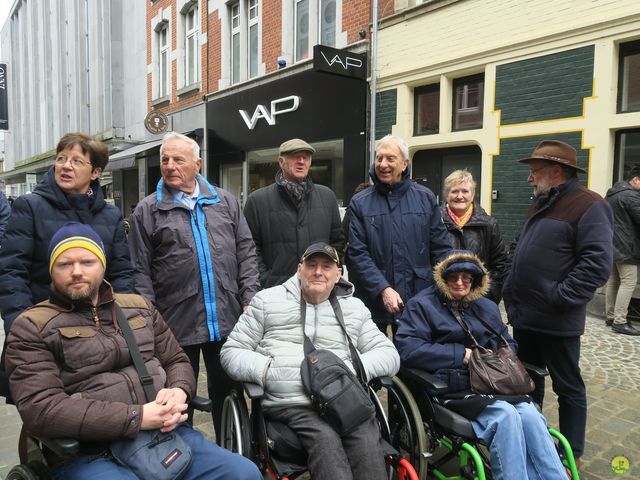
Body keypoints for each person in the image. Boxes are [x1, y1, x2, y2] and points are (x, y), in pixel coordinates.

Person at [4, 223, 261, 480]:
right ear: (51, 270)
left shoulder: (138, 307)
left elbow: (176, 359)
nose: (77, 272)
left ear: (103, 265)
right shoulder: (32, 326)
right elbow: (42, 409)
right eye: (64, 264)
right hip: (88, 451)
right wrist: (137, 418)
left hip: (164, 436)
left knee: (243, 473)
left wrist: (180, 390)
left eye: (87, 261)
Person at [221, 242, 400, 480]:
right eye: (311, 265)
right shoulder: (266, 302)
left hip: (344, 400)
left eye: (327, 266)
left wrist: (351, 371)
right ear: (299, 270)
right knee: (325, 439)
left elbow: (389, 354)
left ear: (338, 275)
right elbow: (231, 351)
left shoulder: (354, 308)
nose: (318, 272)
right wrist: (268, 370)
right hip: (294, 402)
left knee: (367, 442)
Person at [128, 131, 260, 440]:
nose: (170, 165)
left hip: (228, 318)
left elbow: (246, 251)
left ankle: (232, 452)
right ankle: (184, 458)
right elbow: (140, 271)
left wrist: (249, 296)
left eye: (178, 159)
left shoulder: (224, 201)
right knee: (177, 397)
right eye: (165, 160)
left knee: (228, 394)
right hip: (175, 323)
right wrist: (148, 319)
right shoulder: (147, 211)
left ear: (197, 164)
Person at [395, 250, 568, 480]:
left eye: (466, 277)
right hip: (452, 385)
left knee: (530, 414)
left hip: (493, 382)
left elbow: (510, 342)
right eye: (453, 277)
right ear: (442, 278)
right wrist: (461, 355)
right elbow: (409, 350)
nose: (460, 282)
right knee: (506, 416)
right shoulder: (422, 305)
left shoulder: (486, 306)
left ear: (476, 280)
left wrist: (498, 356)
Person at [502, 140, 613, 466]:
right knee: (527, 383)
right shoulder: (539, 204)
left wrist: (559, 297)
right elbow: (518, 247)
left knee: (568, 386)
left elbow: (597, 263)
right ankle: (530, 437)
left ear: (556, 171)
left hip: (556, 318)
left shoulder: (589, 205)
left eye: (534, 171)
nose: (529, 178)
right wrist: (509, 284)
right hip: (525, 316)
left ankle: (571, 453)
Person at [0, 132, 133, 335]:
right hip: (43, 327)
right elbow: (13, 272)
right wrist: (21, 326)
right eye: (61, 158)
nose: (66, 166)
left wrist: (119, 323)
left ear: (95, 172)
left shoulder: (111, 215)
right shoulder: (29, 207)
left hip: (98, 329)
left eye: (77, 161)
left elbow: (121, 273)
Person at [347, 134, 451, 333]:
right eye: (379, 158)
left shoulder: (425, 197)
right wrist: (382, 289)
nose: (383, 164)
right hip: (372, 297)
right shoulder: (360, 202)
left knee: (413, 358)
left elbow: (440, 249)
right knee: (373, 359)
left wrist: (443, 290)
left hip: (418, 297)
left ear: (404, 164)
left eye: (390, 158)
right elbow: (358, 254)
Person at [243, 138, 344, 289]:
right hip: (276, 291)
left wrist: (326, 274)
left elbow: (337, 243)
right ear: (281, 161)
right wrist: (266, 279)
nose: (302, 161)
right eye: (296, 156)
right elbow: (250, 249)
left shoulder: (327, 196)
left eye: (306, 157)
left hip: (319, 290)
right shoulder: (257, 201)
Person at [440, 170, 507, 303]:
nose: (460, 196)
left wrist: (486, 296)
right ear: (446, 195)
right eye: (454, 191)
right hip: (442, 300)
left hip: (479, 301)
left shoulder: (488, 224)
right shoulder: (434, 223)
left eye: (465, 191)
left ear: (473, 194)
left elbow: (500, 264)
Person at [605, 166, 640, 335]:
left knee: (613, 280)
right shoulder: (632, 196)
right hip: (627, 246)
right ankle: (620, 321)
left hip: (611, 244)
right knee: (628, 281)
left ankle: (611, 316)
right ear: (635, 180)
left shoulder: (612, 193)